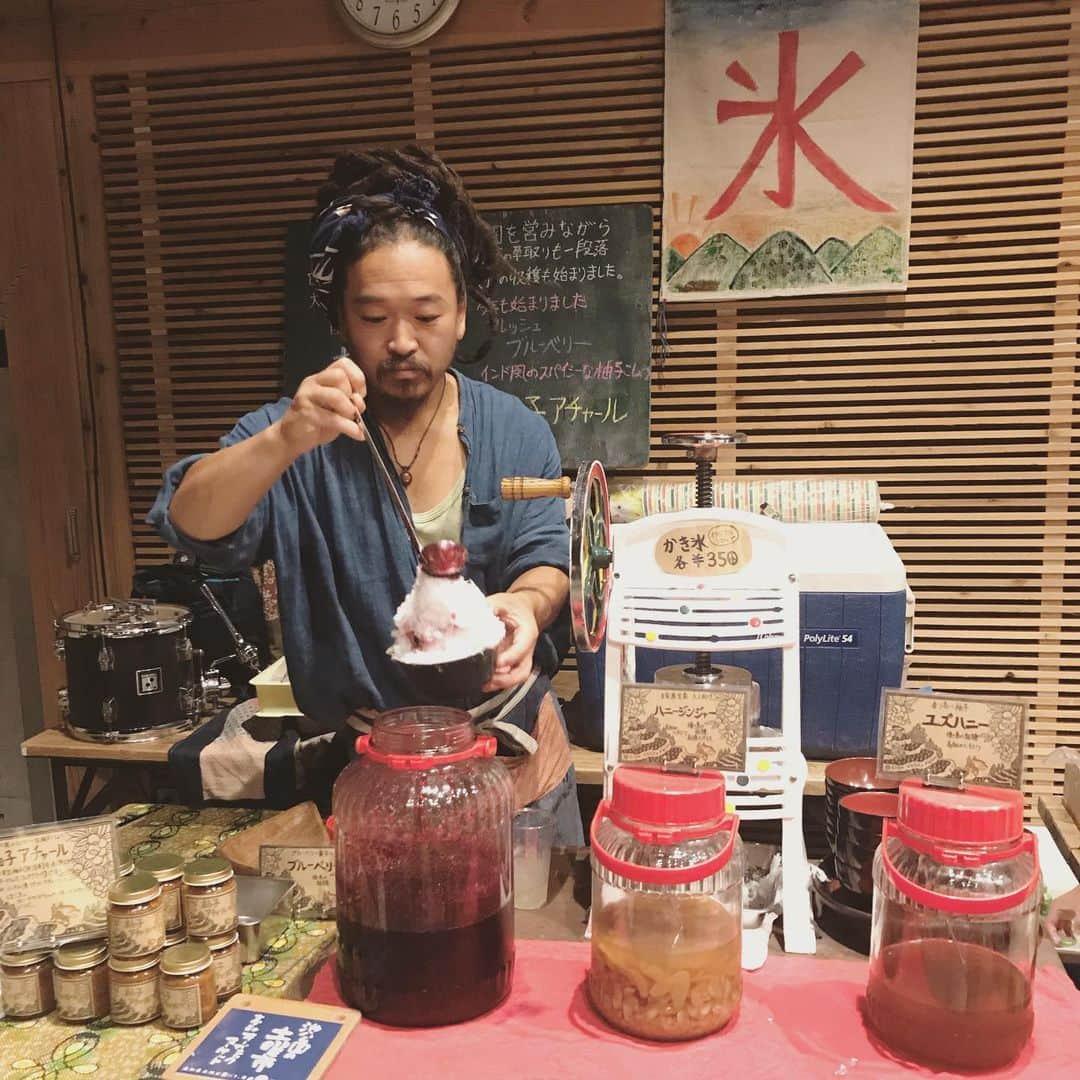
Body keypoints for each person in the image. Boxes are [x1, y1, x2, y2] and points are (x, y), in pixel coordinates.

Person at [149, 144, 582, 843]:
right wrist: (284, 440)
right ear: (343, 321)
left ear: (463, 316)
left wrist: (530, 607)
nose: (403, 341)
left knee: (533, 939)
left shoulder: (512, 427)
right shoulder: (297, 432)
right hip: (367, 767)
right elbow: (191, 525)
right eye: (376, 318)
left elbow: (545, 557)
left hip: (508, 755)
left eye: (427, 315)